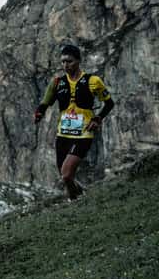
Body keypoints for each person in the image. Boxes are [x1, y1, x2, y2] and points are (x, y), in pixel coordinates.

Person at [34, 44, 115, 200]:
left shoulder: (93, 81)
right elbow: (45, 102)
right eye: (63, 62)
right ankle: (80, 198)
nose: (65, 65)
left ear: (78, 61)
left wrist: (98, 118)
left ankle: (74, 200)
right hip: (63, 133)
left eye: (69, 61)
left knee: (65, 175)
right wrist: (39, 113)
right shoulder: (57, 82)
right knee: (65, 175)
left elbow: (109, 103)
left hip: (83, 134)